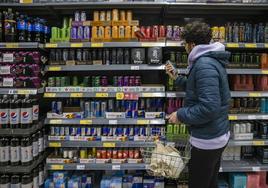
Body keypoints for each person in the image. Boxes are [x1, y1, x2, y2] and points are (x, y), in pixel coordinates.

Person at [166, 21, 231, 188]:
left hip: (208, 140)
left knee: (198, 183)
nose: (184, 47)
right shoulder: (207, 60)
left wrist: (180, 115)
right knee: (209, 182)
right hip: (215, 134)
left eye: (185, 44)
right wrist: (177, 77)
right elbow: (200, 88)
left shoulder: (203, 65)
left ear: (192, 44)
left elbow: (209, 107)